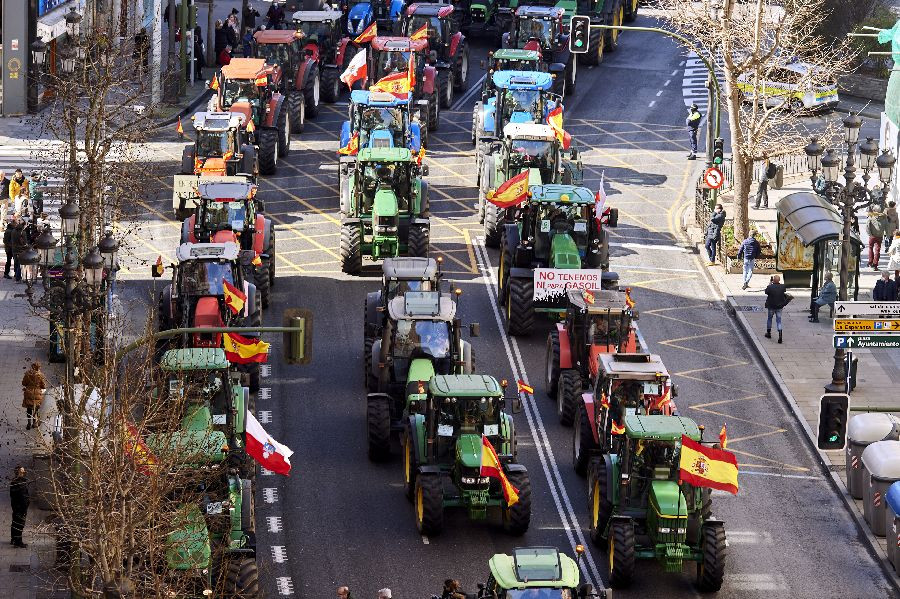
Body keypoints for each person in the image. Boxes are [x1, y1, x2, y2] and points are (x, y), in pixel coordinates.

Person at [22, 362, 47, 430]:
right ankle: (34, 423)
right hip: (37, 394)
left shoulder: (27, 374)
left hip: (28, 393)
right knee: (36, 409)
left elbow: (23, 383)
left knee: (29, 409)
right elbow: (43, 386)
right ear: (38, 367)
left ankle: (29, 423)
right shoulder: (40, 375)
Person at [764, 274, 787, 343]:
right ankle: (780, 335)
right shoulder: (783, 286)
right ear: (779, 280)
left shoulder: (770, 287)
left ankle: (768, 333)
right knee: (779, 321)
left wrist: (770, 283)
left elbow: (766, 292)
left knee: (769, 319)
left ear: (773, 280)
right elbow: (784, 291)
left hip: (771, 306)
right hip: (779, 306)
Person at [9, 466, 29, 548]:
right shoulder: (20, 483)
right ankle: (18, 541)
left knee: (15, 522)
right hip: (20, 507)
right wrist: (25, 507)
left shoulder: (14, 481)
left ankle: (14, 539)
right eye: (21, 471)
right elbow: (23, 496)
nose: (23, 473)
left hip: (15, 506)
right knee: (19, 524)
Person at [867, 204, 887, 270]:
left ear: (874, 210)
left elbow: (867, 227)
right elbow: (886, 226)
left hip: (872, 236)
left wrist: (870, 234)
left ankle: (870, 262)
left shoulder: (871, 216)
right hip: (880, 236)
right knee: (877, 250)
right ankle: (875, 265)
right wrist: (886, 234)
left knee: (870, 248)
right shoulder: (884, 217)